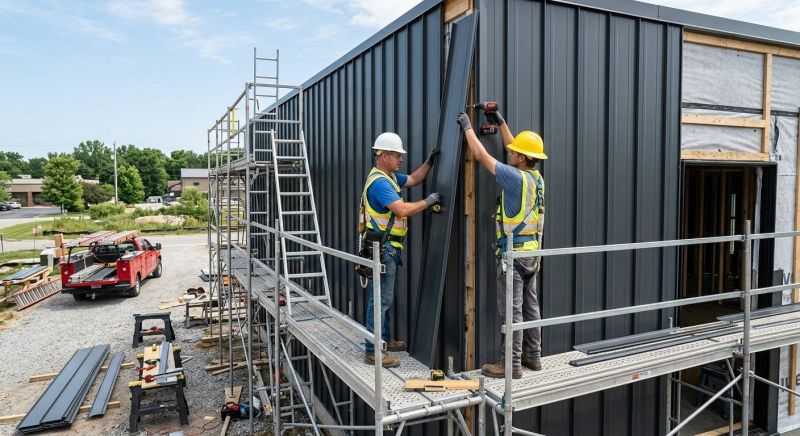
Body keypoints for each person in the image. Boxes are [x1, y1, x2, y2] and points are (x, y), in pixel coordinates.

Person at [457, 106, 547, 379]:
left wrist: (467, 127)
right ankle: (533, 357)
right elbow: (514, 147)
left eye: (513, 152)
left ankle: (511, 364)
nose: (508, 152)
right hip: (532, 254)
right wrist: (502, 122)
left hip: (513, 256)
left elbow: (482, 156)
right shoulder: (535, 178)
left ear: (521, 158)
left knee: (512, 311)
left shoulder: (513, 177)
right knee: (531, 307)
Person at [359, 132, 441, 368]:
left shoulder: (390, 176)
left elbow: (414, 179)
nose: (401, 159)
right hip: (383, 249)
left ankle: (383, 341)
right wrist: (428, 201)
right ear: (383, 156)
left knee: (384, 297)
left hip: (386, 248)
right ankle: (373, 350)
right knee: (380, 299)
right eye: (396, 155)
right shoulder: (381, 183)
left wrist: (429, 162)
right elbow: (402, 210)